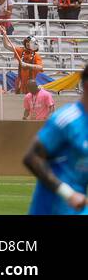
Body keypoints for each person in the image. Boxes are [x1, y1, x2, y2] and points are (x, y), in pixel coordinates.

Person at [23, 63, 88, 214]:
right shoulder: (67, 120)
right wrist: (68, 193)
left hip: (78, 208)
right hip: (52, 207)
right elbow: (31, 158)